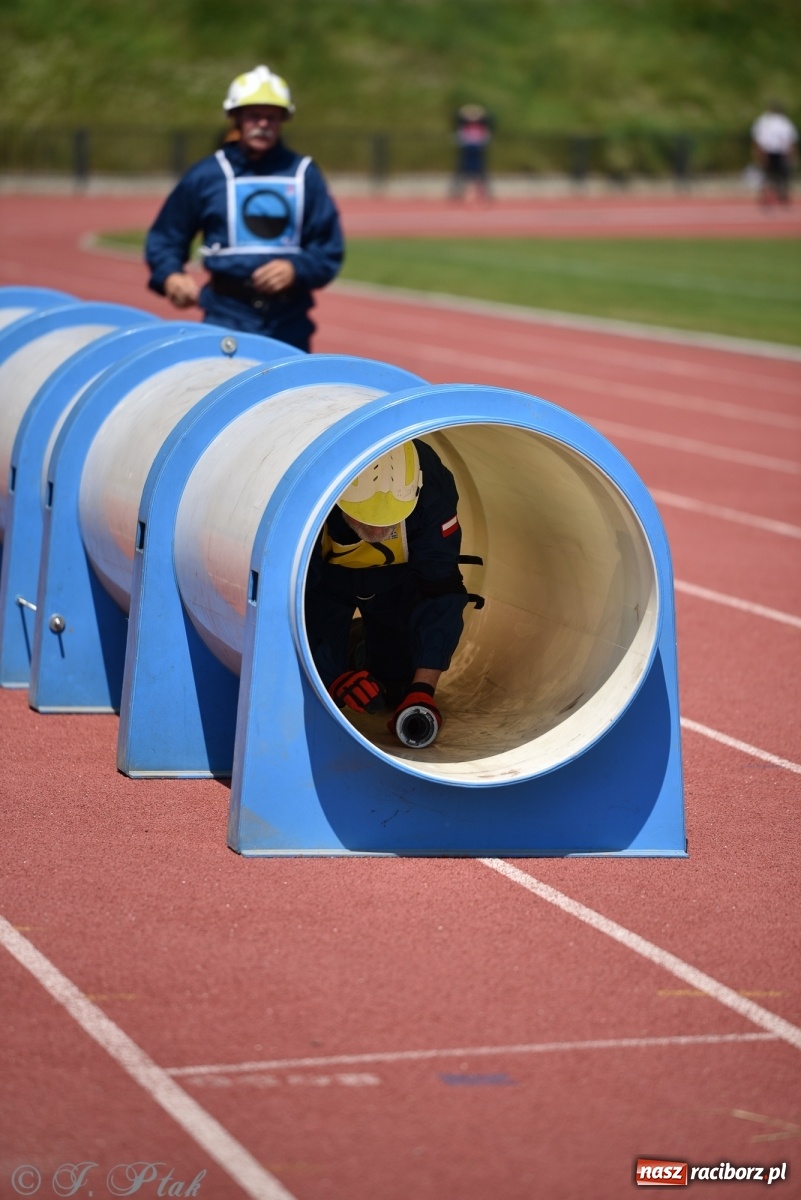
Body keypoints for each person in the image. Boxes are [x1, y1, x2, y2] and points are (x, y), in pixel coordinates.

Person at [145, 65, 344, 350]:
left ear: (283, 120)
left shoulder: (304, 174)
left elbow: (328, 249)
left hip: (289, 323)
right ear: (235, 118)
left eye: (272, 117)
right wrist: (170, 275)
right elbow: (167, 236)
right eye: (254, 115)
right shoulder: (207, 175)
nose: (263, 124)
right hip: (225, 319)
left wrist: (296, 268)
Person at [305, 440, 475, 747]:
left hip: (395, 582)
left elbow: (442, 591)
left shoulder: (431, 494)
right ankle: (341, 657)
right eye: (367, 519)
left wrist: (422, 690)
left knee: (394, 689)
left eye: (391, 517)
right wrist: (330, 674)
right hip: (322, 586)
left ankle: (361, 648)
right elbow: (288, 598)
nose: (379, 529)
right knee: (312, 688)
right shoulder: (310, 497)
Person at [751, 102, 798, 207]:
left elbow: (758, 139)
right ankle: (772, 197)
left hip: (772, 151)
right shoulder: (772, 121)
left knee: (773, 176)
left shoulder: (771, 121)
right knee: (776, 176)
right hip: (775, 151)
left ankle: (774, 196)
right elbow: (790, 140)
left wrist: (758, 152)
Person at [450, 103, 494, 200]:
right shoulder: (462, 126)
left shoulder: (483, 127)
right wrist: (465, 112)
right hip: (466, 153)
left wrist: (481, 112)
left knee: (482, 176)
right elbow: (456, 119)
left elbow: (490, 120)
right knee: (461, 175)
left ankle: (484, 194)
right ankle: (456, 193)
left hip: (478, 153)